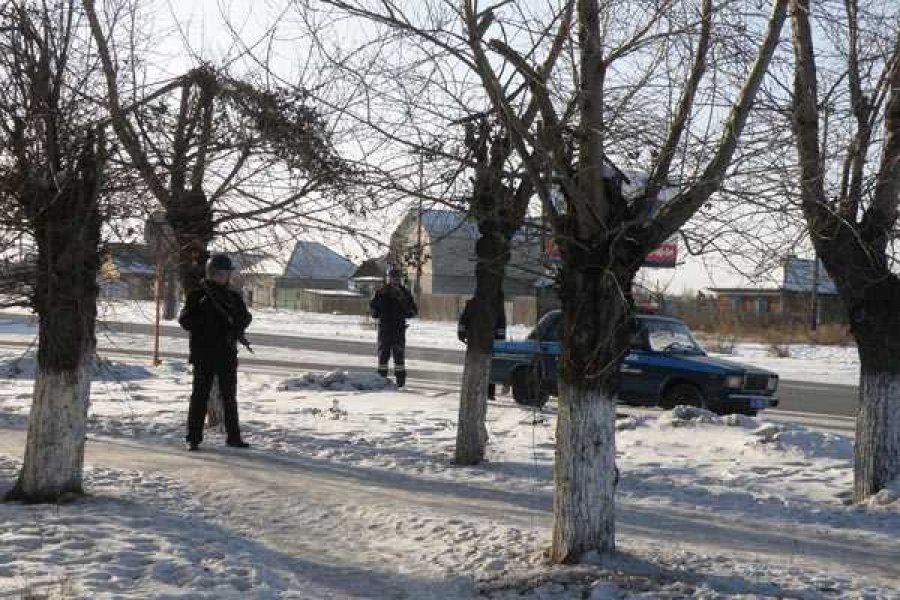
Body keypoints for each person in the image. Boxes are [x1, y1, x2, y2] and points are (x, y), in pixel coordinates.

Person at [178, 254, 252, 451]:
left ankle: (233, 437)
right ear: (211, 273)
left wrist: (235, 322)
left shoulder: (233, 296)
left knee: (229, 397)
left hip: (226, 353)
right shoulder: (198, 295)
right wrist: (204, 316)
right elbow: (185, 321)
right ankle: (193, 437)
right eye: (220, 273)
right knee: (199, 396)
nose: (224, 277)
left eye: (226, 273)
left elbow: (245, 318)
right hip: (204, 353)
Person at [370, 265, 417, 387]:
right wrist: (377, 313)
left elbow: (413, 311)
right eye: (392, 277)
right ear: (387, 278)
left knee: (399, 357)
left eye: (397, 278)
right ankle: (380, 381)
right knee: (383, 357)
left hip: (398, 329)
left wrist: (406, 311)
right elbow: (373, 310)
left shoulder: (405, 293)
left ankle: (400, 383)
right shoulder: (380, 292)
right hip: (385, 328)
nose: (395, 280)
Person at [457, 292, 507, 399]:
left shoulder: (473, 304)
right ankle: (487, 393)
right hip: (486, 341)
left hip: (476, 340)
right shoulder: (496, 306)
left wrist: (461, 335)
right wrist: (500, 341)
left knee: (476, 366)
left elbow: (463, 320)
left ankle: (475, 390)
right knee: (488, 366)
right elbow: (501, 325)